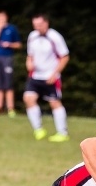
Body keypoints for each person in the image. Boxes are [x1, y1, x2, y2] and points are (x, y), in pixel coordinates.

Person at [24, 14, 70, 142]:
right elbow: (30, 55)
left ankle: (62, 132)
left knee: (54, 103)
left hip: (50, 76)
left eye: (39, 25)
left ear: (46, 23)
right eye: (35, 25)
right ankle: (38, 129)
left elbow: (65, 57)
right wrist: (28, 63)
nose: (37, 28)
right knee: (28, 98)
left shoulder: (55, 37)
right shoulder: (32, 36)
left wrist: (55, 74)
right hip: (35, 76)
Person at [0, 10, 22, 117]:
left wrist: (10, 45)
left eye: (2, 17)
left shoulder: (12, 29)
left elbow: (19, 45)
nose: (0, 20)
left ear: (6, 17)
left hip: (8, 58)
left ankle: (11, 108)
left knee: (8, 83)